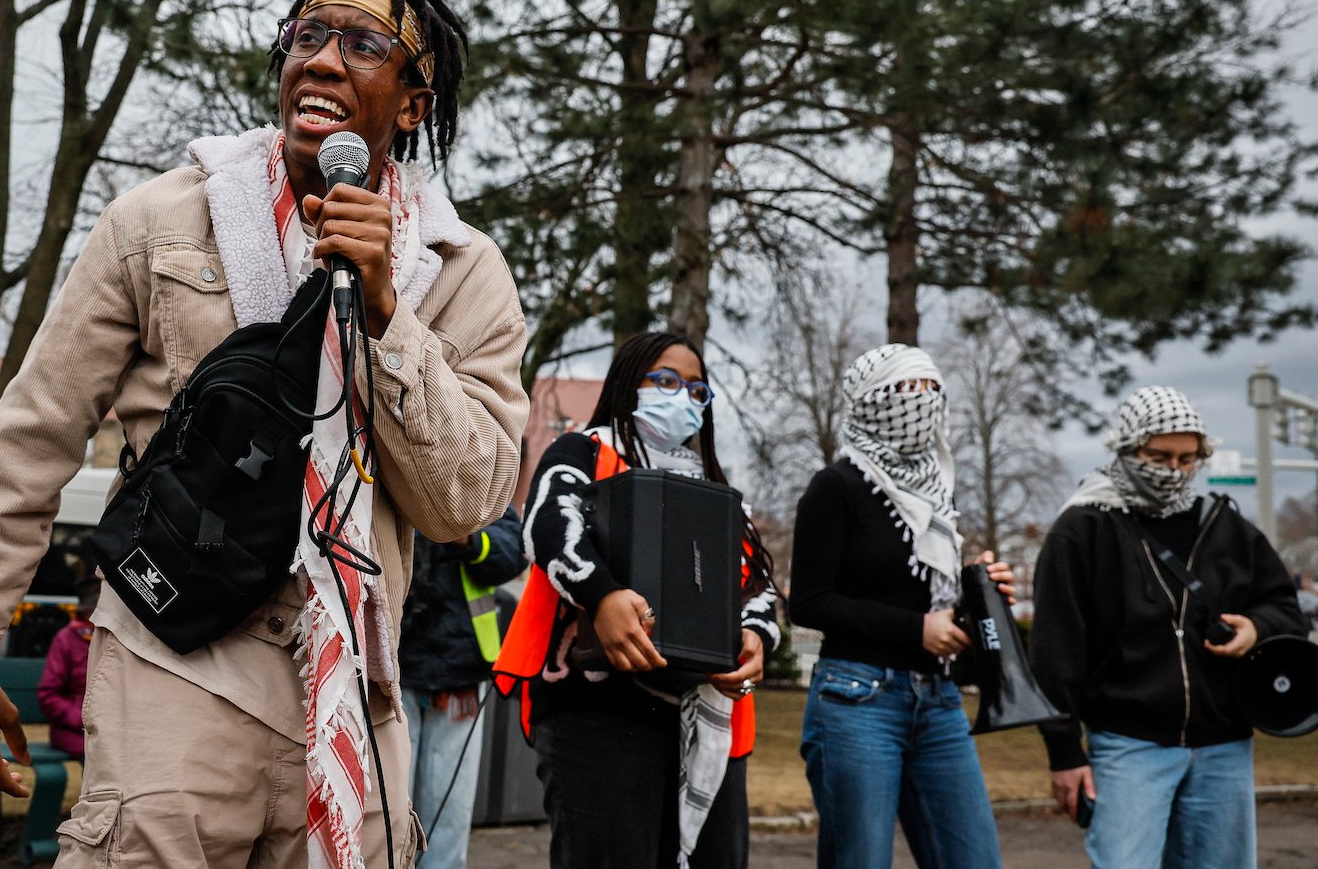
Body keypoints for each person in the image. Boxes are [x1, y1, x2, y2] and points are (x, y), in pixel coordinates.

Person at [0, 0, 529, 869]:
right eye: (307, 36)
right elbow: (34, 433)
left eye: (363, 46)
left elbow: (466, 501)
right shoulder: (161, 220)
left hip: (353, 686)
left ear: (412, 103)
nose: (322, 60)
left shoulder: (461, 272)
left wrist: (387, 317)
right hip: (174, 655)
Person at [493, 331, 781, 869]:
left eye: (697, 390)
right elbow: (547, 522)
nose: (683, 397)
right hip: (599, 717)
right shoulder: (584, 450)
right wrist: (601, 597)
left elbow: (754, 583)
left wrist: (755, 637)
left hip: (706, 721)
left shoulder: (713, 485)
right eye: (666, 381)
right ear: (629, 385)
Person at [1030, 386, 1305, 869]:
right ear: (1127, 448)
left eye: (1186, 458)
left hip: (1223, 746)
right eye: (1157, 456)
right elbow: (1056, 651)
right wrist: (1064, 750)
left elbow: (1285, 608)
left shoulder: (1225, 527)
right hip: (1127, 744)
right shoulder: (1082, 530)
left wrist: (1257, 629)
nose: (1172, 471)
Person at [788, 343, 1015, 869]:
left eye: (933, 390)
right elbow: (809, 602)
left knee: (975, 858)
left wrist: (979, 588)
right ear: (871, 401)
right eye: (908, 389)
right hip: (857, 702)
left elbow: (927, 596)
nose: (924, 402)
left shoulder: (937, 490)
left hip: (938, 702)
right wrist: (917, 629)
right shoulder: (835, 486)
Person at [400, 508, 525, 869]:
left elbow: (512, 551)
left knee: (448, 811)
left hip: (459, 674)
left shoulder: (479, 476)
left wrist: (469, 539)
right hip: (391, 672)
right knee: (388, 809)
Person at [36, 580, 100, 761]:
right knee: (102, 754)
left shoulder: (118, 639)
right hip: (74, 730)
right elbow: (48, 695)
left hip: (115, 728)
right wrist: (82, 719)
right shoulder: (66, 639)